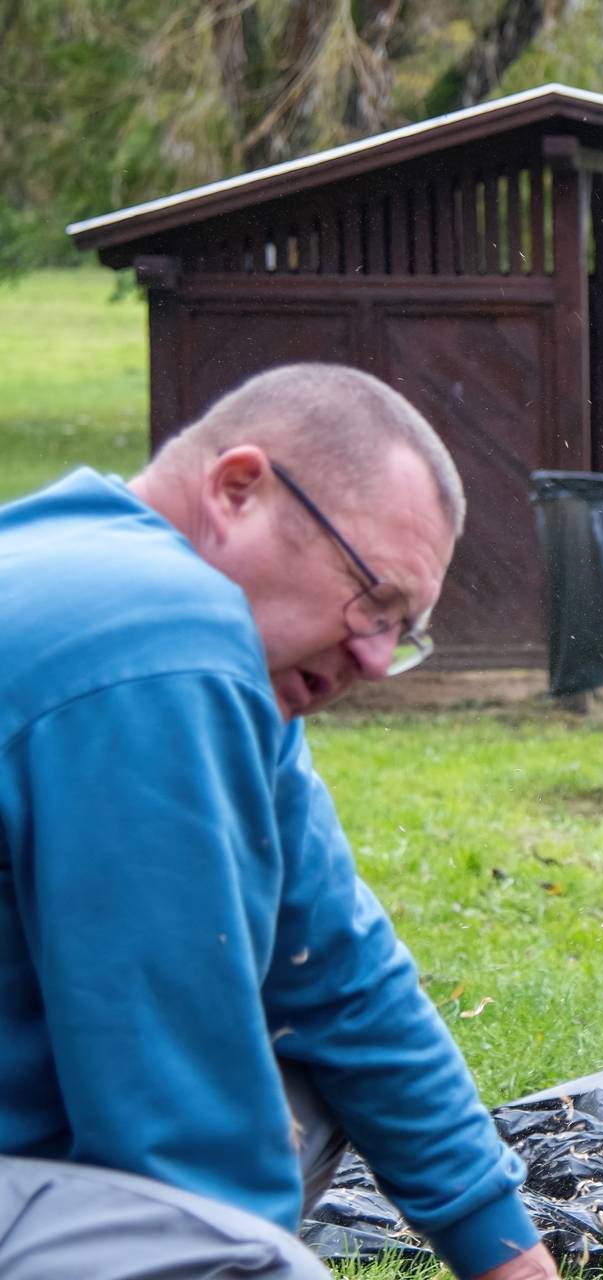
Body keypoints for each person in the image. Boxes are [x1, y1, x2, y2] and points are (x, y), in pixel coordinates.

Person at [0, 364, 557, 1280]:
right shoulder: (154, 638)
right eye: (370, 599)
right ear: (237, 489)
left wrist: (508, 1259)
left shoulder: (151, 611)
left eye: (402, 628)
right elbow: (180, 1124)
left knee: (316, 1079)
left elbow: (340, 975)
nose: (376, 661)